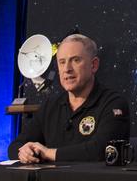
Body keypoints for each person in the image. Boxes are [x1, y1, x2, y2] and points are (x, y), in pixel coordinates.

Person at [8, 34, 130, 163]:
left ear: (94, 65)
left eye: (76, 60)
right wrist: (25, 152)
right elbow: (15, 146)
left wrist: (48, 153)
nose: (67, 69)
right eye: (62, 62)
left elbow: (102, 150)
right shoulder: (50, 106)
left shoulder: (113, 103)